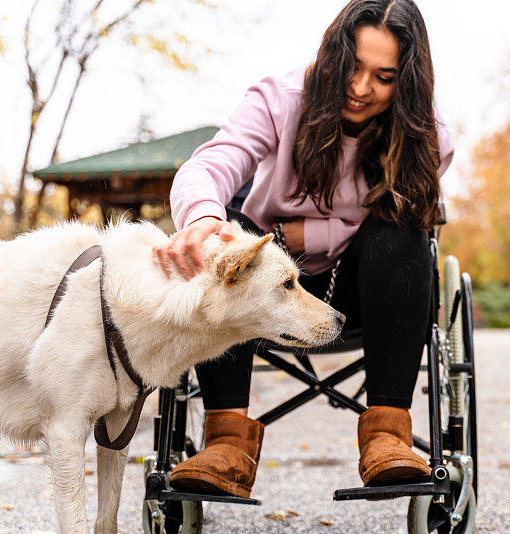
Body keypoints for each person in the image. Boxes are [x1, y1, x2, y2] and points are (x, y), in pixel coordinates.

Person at [153, 0, 454, 498]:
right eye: (352, 67)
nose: (360, 89)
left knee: (403, 231)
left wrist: (313, 237)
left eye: (384, 76)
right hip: (265, 289)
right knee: (232, 234)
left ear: (408, 81)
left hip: (368, 290)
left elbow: (415, 213)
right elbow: (209, 165)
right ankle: (226, 441)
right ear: (332, 54)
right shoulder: (280, 98)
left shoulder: (428, 137)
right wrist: (205, 218)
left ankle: (387, 433)